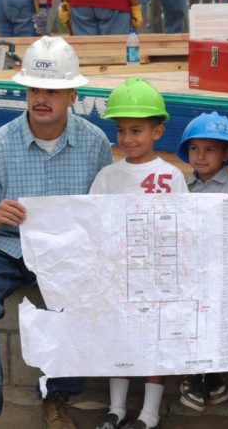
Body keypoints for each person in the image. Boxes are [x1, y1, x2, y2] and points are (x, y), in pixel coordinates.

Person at [0, 36, 113, 429]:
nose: (41, 98)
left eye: (52, 91)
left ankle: (57, 396)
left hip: (65, 248)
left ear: (72, 96)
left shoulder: (94, 145)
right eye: (34, 89)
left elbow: (103, 209)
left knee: (82, 293)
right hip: (2, 246)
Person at [91, 77, 187, 429]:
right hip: (118, 272)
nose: (127, 138)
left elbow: (184, 225)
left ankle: (149, 413)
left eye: (136, 130)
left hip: (158, 274)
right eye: (121, 130)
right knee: (119, 336)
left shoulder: (171, 176)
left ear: (157, 132)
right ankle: (116, 409)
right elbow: (92, 220)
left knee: (154, 340)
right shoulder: (107, 176)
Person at [174, 111, 228, 412]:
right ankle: (198, 378)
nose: (200, 156)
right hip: (190, 270)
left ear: (226, 153)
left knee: (214, 323)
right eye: (194, 148)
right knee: (189, 322)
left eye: (210, 149)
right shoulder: (183, 187)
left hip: (220, 272)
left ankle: (212, 376)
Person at [69, 0, 142, 35]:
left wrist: (65, 2)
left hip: (80, 2)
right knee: (115, 49)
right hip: (113, 0)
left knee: (85, 49)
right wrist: (136, 5)